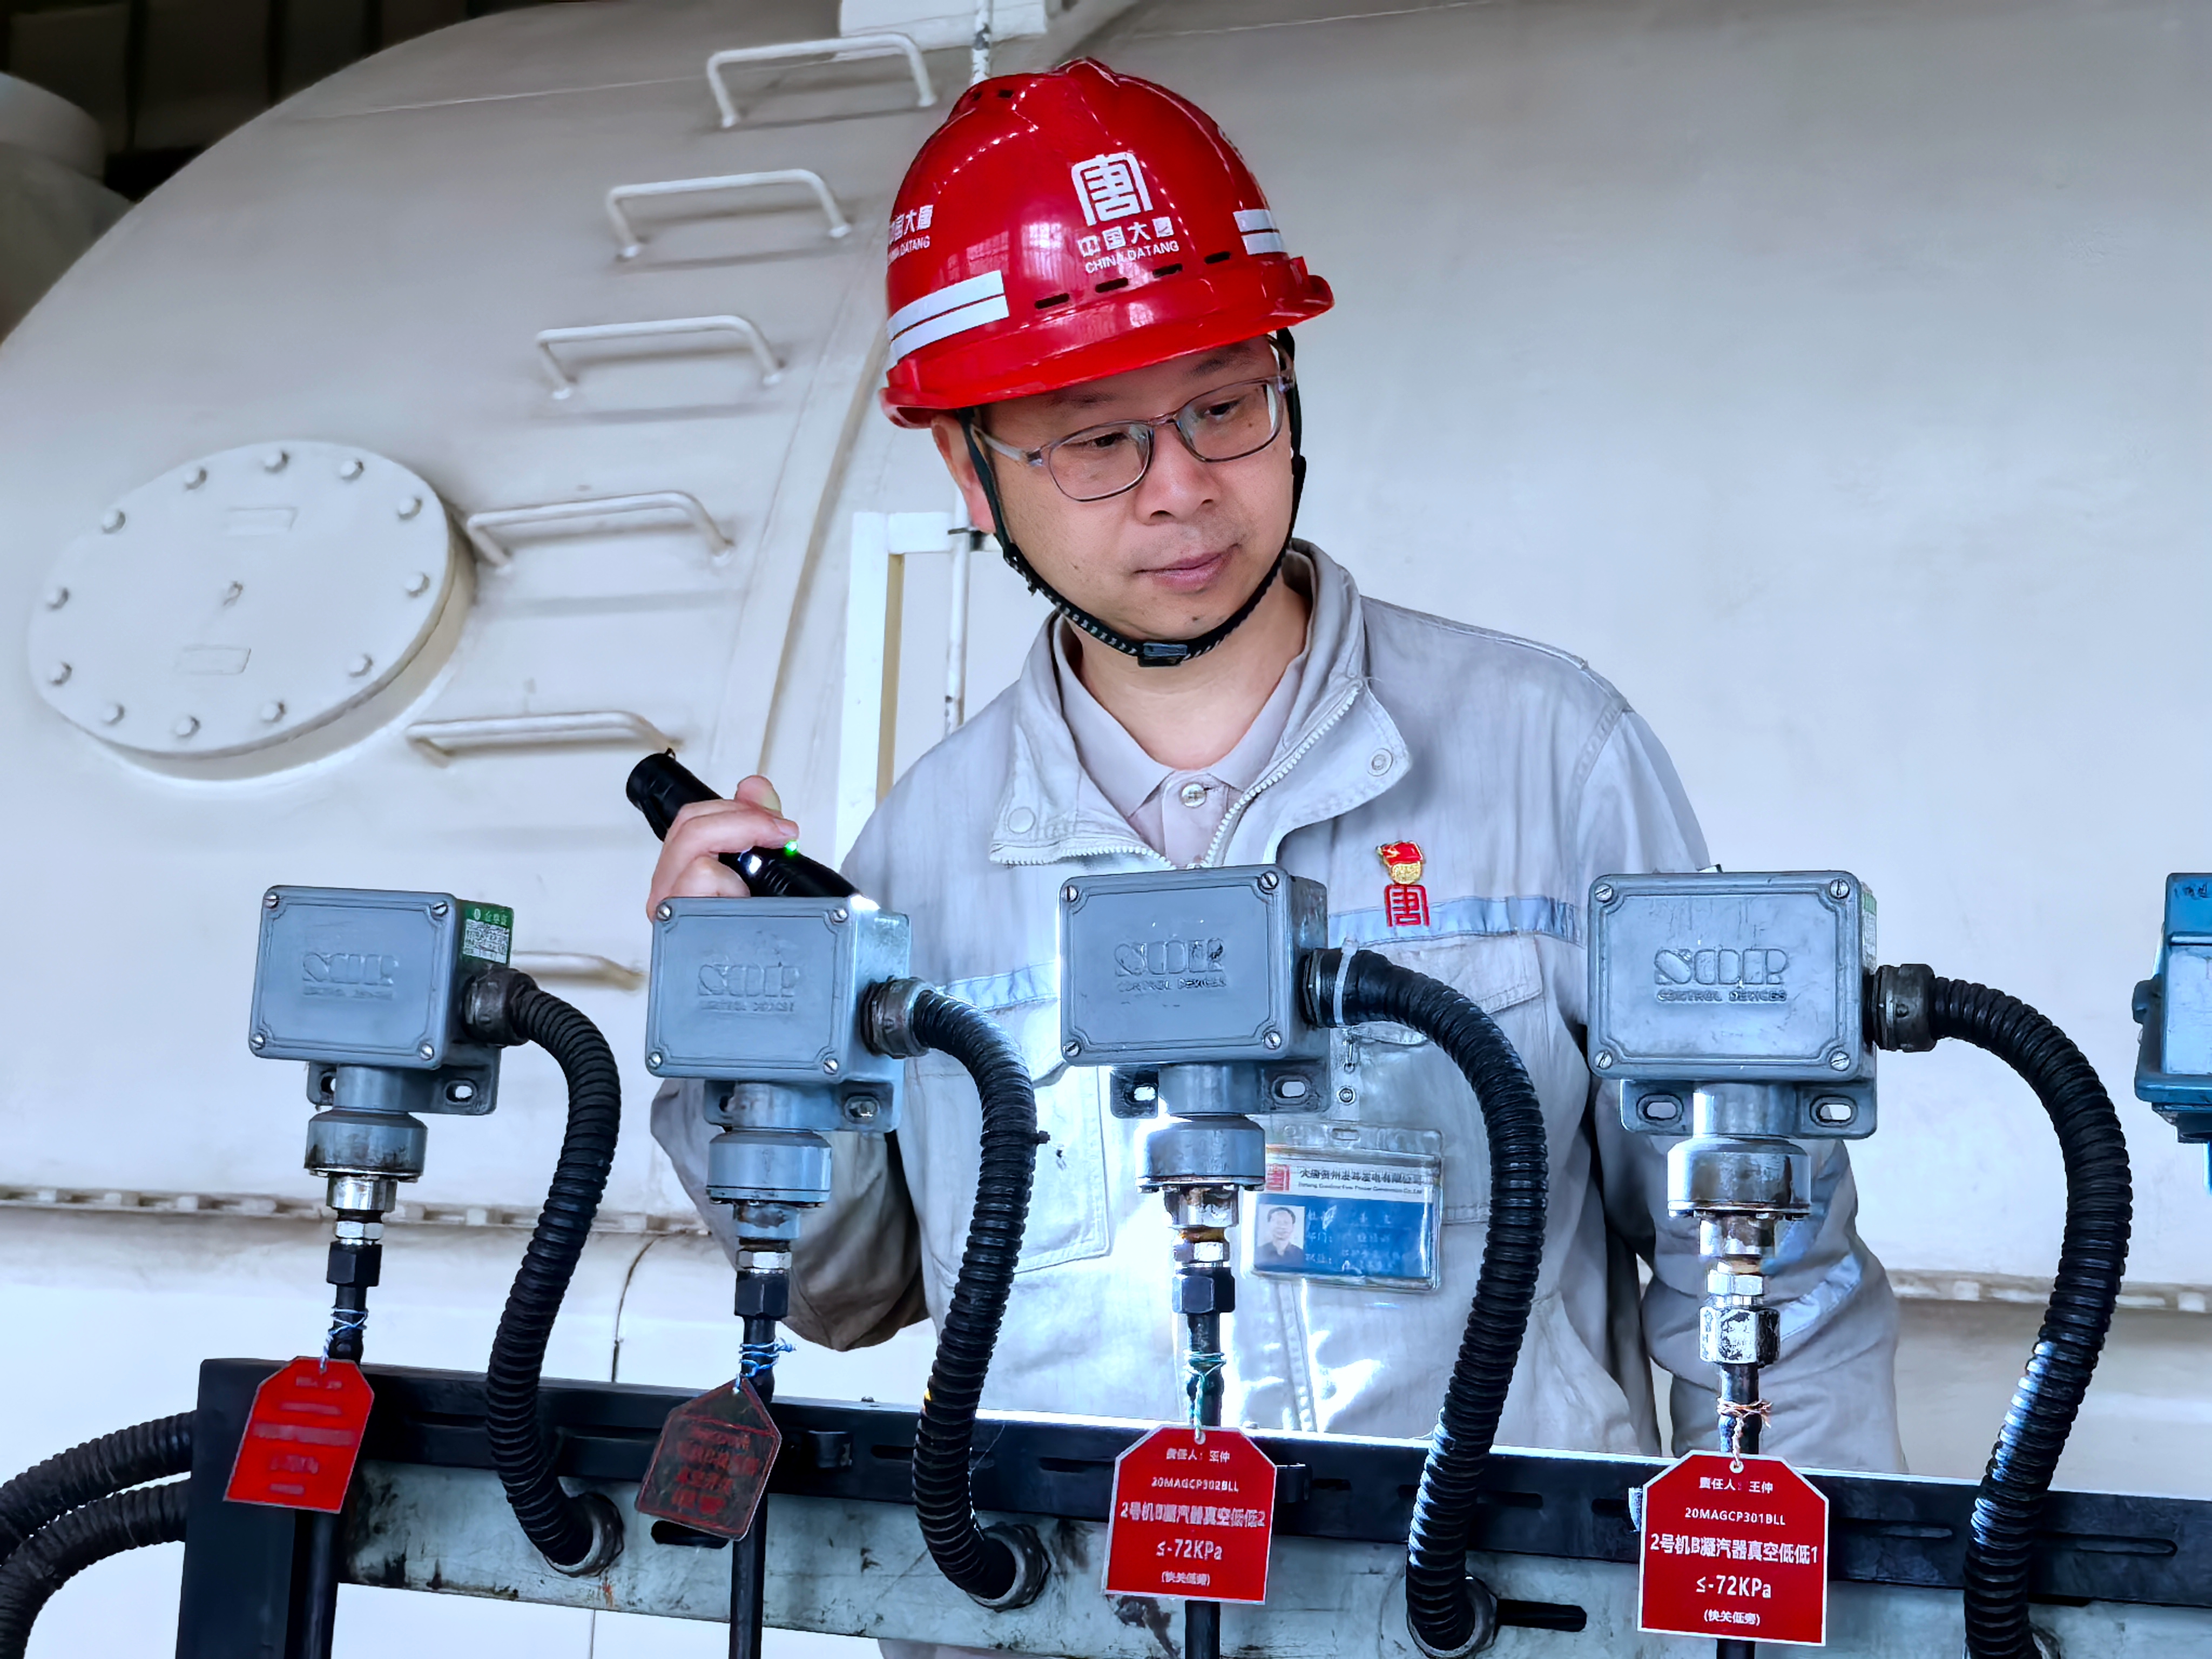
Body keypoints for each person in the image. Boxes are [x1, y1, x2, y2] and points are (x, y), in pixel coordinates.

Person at [650, 60, 1902, 1494]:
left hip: (1485, 1594)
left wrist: (1783, 1589)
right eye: (1099, 439)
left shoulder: (1547, 756)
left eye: (1226, 405)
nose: (1182, 485)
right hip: (1069, 1594)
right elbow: (843, 1291)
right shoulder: (924, 856)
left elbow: (1769, 1277)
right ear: (968, 467)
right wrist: (738, 1027)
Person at [1255, 1206, 1307, 1270]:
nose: (1282, 1227)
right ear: (1269, 1225)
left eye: (1286, 1223)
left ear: (1293, 1227)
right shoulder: (1259, 1252)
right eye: (1278, 1222)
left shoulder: (1300, 1254)